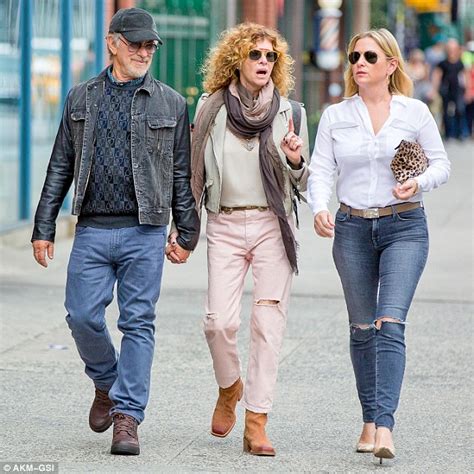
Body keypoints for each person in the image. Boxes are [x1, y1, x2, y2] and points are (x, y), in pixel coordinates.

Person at [31, 8, 199, 456]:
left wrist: (187, 231)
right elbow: (60, 165)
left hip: (145, 229)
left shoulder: (171, 103)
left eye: (150, 46)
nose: (144, 52)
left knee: (137, 322)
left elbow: (181, 173)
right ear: (113, 43)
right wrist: (44, 225)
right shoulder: (81, 98)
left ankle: (128, 418)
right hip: (91, 228)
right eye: (136, 44)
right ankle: (107, 381)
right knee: (81, 315)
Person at [308, 28, 450, 464]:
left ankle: (384, 425)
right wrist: (319, 207)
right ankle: (368, 418)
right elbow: (321, 170)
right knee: (362, 327)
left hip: (404, 226)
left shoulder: (414, 112)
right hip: (351, 228)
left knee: (390, 322)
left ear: (390, 65)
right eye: (354, 57)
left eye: (370, 56)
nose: (360, 63)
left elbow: (441, 163)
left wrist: (418, 181)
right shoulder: (336, 116)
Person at [174, 22, 309, 456]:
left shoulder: (291, 113)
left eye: (271, 56)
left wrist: (294, 159)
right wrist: (183, 229)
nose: (264, 62)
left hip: (272, 224)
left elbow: (302, 179)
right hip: (225, 225)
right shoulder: (210, 109)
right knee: (219, 323)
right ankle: (230, 387)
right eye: (256, 55)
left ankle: (256, 421)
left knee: (268, 325)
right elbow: (193, 173)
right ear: (237, 60)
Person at [432, 38, 468, 140]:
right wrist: (434, 90)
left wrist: (468, 90)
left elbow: (465, 76)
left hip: (458, 90)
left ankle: (460, 133)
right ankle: (448, 134)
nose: (451, 51)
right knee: (446, 112)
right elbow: (437, 76)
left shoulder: (460, 63)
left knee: (460, 111)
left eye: (453, 49)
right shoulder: (442, 63)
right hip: (446, 90)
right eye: (450, 49)